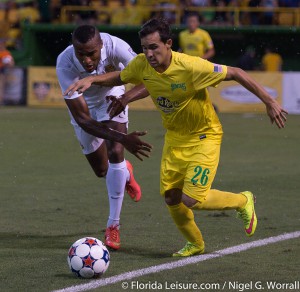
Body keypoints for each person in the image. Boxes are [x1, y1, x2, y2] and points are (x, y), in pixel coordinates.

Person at [64, 18, 288, 257]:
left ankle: (242, 201)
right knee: (172, 198)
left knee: (191, 198)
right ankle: (196, 243)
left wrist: (269, 101)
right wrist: (91, 79)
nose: (148, 53)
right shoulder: (142, 65)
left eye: (154, 47)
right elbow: (119, 77)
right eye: (144, 48)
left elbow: (236, 72)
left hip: (204, 136)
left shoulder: (191, 66)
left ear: (169, 44)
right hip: (175, 138)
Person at [56, 25, 152, 250]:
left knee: (115, 151)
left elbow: (150, 78)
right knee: (101, 170)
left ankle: (113, 226)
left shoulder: (116, 46)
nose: (87, 60)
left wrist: (126, 97)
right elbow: (83, 120)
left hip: (114, 95)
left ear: (101, 45)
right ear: (74, 48)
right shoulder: (65, 62)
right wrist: (124, 138)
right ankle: (125, 171)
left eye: (92, 53)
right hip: (85, 106)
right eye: (81, 53)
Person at [0, 39, 14, 105]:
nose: (2, 45)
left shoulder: (6, 53)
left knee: (1, 86)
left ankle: (1, 100)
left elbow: (11, 63)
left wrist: (8, 64)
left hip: (2, 70)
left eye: (3, 44)